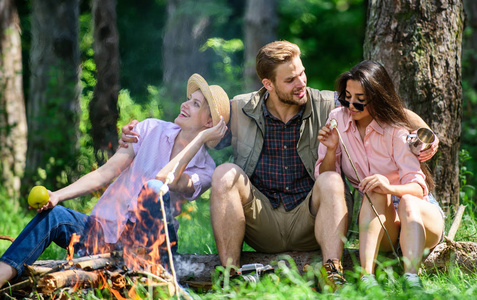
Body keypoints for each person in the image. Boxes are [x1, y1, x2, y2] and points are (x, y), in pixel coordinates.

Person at [119, 41, 439, 289]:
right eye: (290, 80)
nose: (301, 82)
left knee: (330, 181)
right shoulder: (241, 108)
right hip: (262, 220)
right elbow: (198, 128)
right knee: (225, 172)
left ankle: (333, 271)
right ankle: (232, 276)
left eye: (301, 73)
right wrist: (144, 133)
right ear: (268, 84)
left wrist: (427, 136)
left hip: (309, 219)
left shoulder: (327, 102)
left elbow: (386, 104)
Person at [0, 74, 230, 288]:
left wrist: (199, 140)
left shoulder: (206, 170)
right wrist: (57, 195)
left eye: (196, 104)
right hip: (100, 235)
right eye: (189, 99)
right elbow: (106, 172)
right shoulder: (150, 128)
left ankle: (162, 281)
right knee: (53, 216)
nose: (185, 104)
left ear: (209, 123)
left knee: (155, 188)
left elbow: (165, 179)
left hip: (143, 250)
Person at [315, 60, 444, 289]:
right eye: (347, 96)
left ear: (377, 97)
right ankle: (367, 278)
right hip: (379, 216)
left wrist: (389, 187)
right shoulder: (338, 118)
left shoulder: (394, 129)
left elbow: (417, 187)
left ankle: (411, 280)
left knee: (406, 201)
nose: (351, 104)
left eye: (360, 100)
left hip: (418, 213)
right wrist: (332, 148)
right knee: (374, 192)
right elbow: (326, 177)